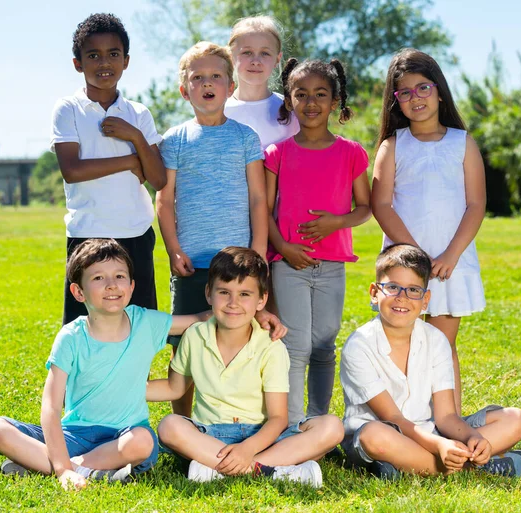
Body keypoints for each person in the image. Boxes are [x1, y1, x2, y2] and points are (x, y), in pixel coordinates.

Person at [0, 239, 210, 491]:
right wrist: (63, 470)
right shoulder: (71, 336)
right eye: (98, 278)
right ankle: (83, 469)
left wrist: (245, 311)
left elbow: (198, 320)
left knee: (143, 441)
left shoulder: (145, 322)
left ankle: (49, 464)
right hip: (74, 436)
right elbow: (50, 405)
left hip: (124, 438)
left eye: (119, 276)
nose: (112, 285)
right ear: (78, 292)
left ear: (132, 286)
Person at [147, 247, 344, 488]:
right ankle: (271, 470)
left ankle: (223, 468)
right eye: (224, 292)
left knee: (331, 427)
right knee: (170, 426)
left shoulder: (270, 346)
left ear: (262, 300)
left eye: (244, 294)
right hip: (210, 434)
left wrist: (248, 449)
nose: (233, 303)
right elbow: (173, 388)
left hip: (262, 436)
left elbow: (278, 418)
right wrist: (116, 386)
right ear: (209, 294)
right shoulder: (194, 336)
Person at [156, 42, 280, 418]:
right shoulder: (175, 139)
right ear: (184, 89)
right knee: (185, 347)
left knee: (242, 342)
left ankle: (242, 419)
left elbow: (259, 199)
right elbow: (164, 201)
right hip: (192, 265)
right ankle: (181, 423)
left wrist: (257, 250)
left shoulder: (244, 138)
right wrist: (174, 249)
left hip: (238, 263)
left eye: (215, 77)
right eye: (197, 78)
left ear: (229, 86)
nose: (206, 84)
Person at [340, 243, 521, 479]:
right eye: (392, 287)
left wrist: (471, 438)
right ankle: (477, 469)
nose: (402, 298)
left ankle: (407, 466)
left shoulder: (436, 339)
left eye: (413, 290)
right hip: (379, 434)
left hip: (432, 430)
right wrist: (439, 447)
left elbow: (446, 417)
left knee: (515, 419)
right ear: (374, 292)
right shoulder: (359, 345)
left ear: (425, 300)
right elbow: (393, 418)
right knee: (375, 436)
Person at [371, 48, 486, 414]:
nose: (415, 98)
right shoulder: (392, 147)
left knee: (441, 345)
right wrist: (413, 256)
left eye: (422, 88)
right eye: (404, 92)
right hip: (406, 263)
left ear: (439, 91)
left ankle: (448, 420)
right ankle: (402, 419)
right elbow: (381, 204)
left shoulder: (462, 142)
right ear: (395, 101)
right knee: (399, 343)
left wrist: (451, 255)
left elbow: (476, 204)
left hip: (451, 263)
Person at [264, 58, 371, 424]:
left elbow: (365, 208)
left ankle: (319, 421)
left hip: (332, 266)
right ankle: (291, 426)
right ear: (288, 101)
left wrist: (334, 224)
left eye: (320, 94)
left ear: (335, 100)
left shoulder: (351, 153)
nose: (311, 102)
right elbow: (263, 210)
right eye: (301, 94)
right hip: (288, 265)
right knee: (295, 347)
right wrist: (283, 247)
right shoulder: (277, 154)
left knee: (325, 347)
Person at [51, 13, 166, 326]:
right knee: (84, 329)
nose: (105, 63)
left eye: (113, 54)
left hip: (135, 234)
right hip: (87, 233)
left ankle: (131, 378)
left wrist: (135, 137)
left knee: (136, 328)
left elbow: (158, 178)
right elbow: (72, 170)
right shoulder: (68, 109)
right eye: (93, 55)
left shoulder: (138, 114)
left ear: (126, 61)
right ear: (78, 63)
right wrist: (131, 161)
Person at [224, 15, 299, 150]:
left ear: (277, 59)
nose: (256, 61)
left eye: (265, 53)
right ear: (231, 57)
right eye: (247, 52)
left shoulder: (292, 111)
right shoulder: (218, 111)